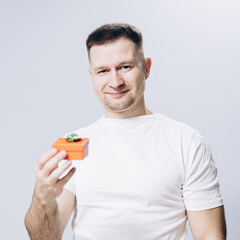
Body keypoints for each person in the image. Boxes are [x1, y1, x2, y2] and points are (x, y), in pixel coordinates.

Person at [25, 23, 227, 240]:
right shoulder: (73, 142)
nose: (115, 82)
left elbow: (210, 235)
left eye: (125, 67)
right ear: (91, 74)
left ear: (146, 68)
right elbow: (45, 237)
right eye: (103, 71)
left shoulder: (186, 141)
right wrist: (41, 198)